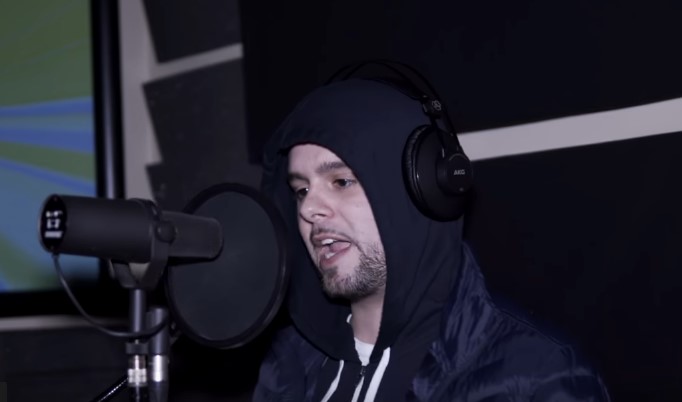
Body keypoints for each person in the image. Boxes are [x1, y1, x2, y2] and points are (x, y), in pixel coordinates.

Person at [253, 61, 610, 401]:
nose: (309, 209)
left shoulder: (537, 379)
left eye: (342, 181)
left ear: (422, 188)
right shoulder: (288, 365)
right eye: (301, 190)